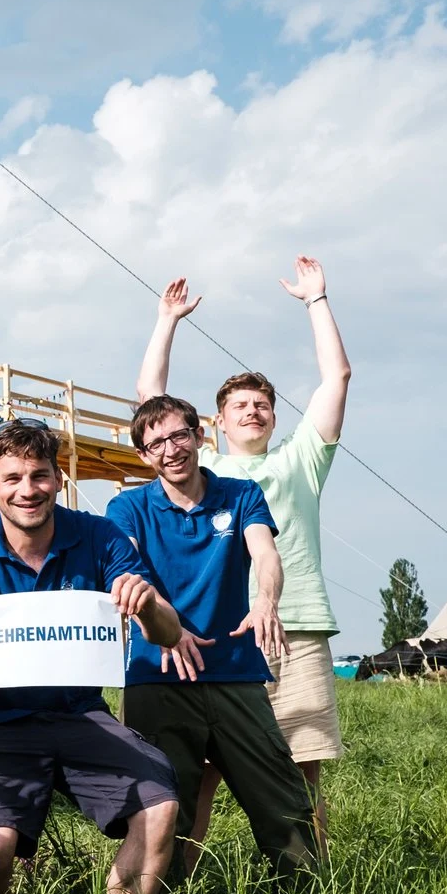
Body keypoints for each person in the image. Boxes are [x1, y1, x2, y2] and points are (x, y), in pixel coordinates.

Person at [0, 421, 187, 894]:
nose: (27, 490)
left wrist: (148, 603)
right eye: (12, 479)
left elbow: (169, 634)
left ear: (57, 480)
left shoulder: (99, 536)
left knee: (161, 808)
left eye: (39, 476)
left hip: (79, 715)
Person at [136, 259, 351, 841]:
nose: (252, 411)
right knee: (199, 774)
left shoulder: (300, 461)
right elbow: (151, 404)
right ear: (215, 423)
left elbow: (337, 380)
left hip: (296, 626)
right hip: (219, 636)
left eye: (262, 404)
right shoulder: (202, 468)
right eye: (240, 406)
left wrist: (317, 301)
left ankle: (312, 886)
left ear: (276, 417)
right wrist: (166, 321)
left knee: (300, 770)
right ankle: (179, 875)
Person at [106, 395, 321, 889]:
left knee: (283, 803)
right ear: (143, 455)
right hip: (157, 673)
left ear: (199, 436)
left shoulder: (240, 494)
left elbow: (265, 553)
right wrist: (165, 625)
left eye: (179, 435)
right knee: (161, 808)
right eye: (155, 443)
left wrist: (266, 600)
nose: (170, 449)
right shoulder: (128, 507)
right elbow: (128, 570)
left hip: (234, 671)